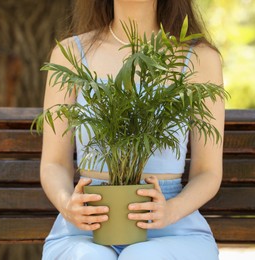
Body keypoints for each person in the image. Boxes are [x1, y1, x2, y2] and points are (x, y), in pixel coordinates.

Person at [40, 0, 225, 259]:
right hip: (87, 224)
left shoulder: (199, 57)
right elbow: (54, 163)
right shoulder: (70, 53)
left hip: (172, 225)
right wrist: (68, 205)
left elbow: (208, 172)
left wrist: (170, 210)